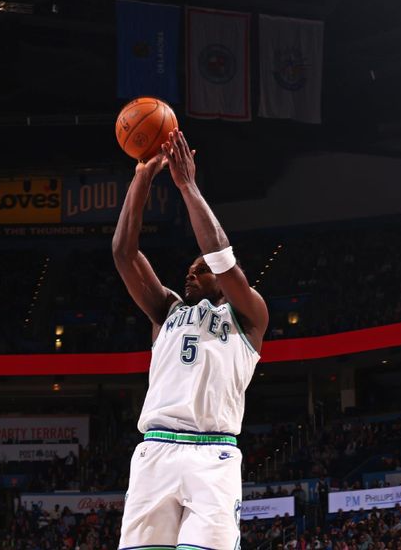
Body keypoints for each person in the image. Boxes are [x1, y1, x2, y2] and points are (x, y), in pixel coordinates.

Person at [112, 128, 269, 550]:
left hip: (213, 454)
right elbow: (124, 253)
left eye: (200, 269)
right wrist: (142, 178)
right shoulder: (167, 310)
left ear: (223, 279)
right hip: (156, 450)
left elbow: (220, 254)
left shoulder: (249, 316)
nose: (190, 273)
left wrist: (187, 186)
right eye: (189, 269)